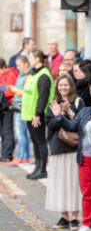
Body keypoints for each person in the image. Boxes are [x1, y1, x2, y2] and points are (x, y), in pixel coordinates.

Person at [52, 82, 91, 231]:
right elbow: (72, 125)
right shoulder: (86, 111)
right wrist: (59, 116)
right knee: (87, 193)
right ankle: (86, 223)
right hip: (85, 158)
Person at [45, 74, 85, 230]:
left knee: (74, 182)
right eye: (60, 85)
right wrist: (58, 115)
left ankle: (75, 217)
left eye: (66, 85)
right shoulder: (53, 103)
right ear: (57, 87)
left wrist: (67, 113)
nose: (63, 88)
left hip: (73, 147)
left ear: (71, 86)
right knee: (61, 183)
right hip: (58, 147)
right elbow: (50, 125)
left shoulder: (78, 102)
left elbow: (80, 122)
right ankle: (64, 216)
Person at [21, 50, 54, 179]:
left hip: (37, 114)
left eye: (30, 56)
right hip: (30, 114)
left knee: (40, 142)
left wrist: (37, 114)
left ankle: (42, 169)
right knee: (35, 141)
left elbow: (43, 97)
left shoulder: (44, 75)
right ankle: (37, 167)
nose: (29, 58)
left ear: (37, 59)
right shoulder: (34, 74)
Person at [7, 56, 31, 165]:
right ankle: (24, 157)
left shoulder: (28, 77)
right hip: (19, 106)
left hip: (21, 107)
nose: (17, 68)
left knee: (20, 133)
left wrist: (15, 90)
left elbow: (27, 93)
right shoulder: (21, 76)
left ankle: (20, 156)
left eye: (19, 65)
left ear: (26, 64)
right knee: (23, 134)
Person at [0, 58, 18, 162]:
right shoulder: (2, 75)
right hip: (2, 106)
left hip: (8, 105)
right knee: (2, 131)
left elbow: (11, 91)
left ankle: (7, 154)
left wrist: (2, 90)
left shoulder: (10, 75)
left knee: (7, 131)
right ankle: (4, 153)